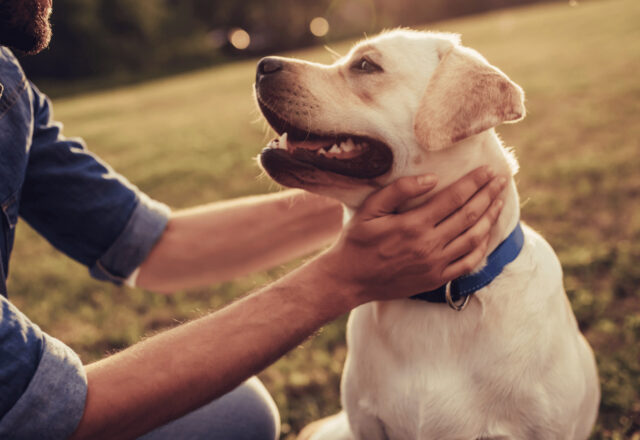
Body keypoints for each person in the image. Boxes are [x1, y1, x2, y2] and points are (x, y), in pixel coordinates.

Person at [0, 1, 507, 439]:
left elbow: (156, 244)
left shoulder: (8, 83)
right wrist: (340, 279)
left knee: (238, 414)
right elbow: (38, 412)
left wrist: (385, 189)